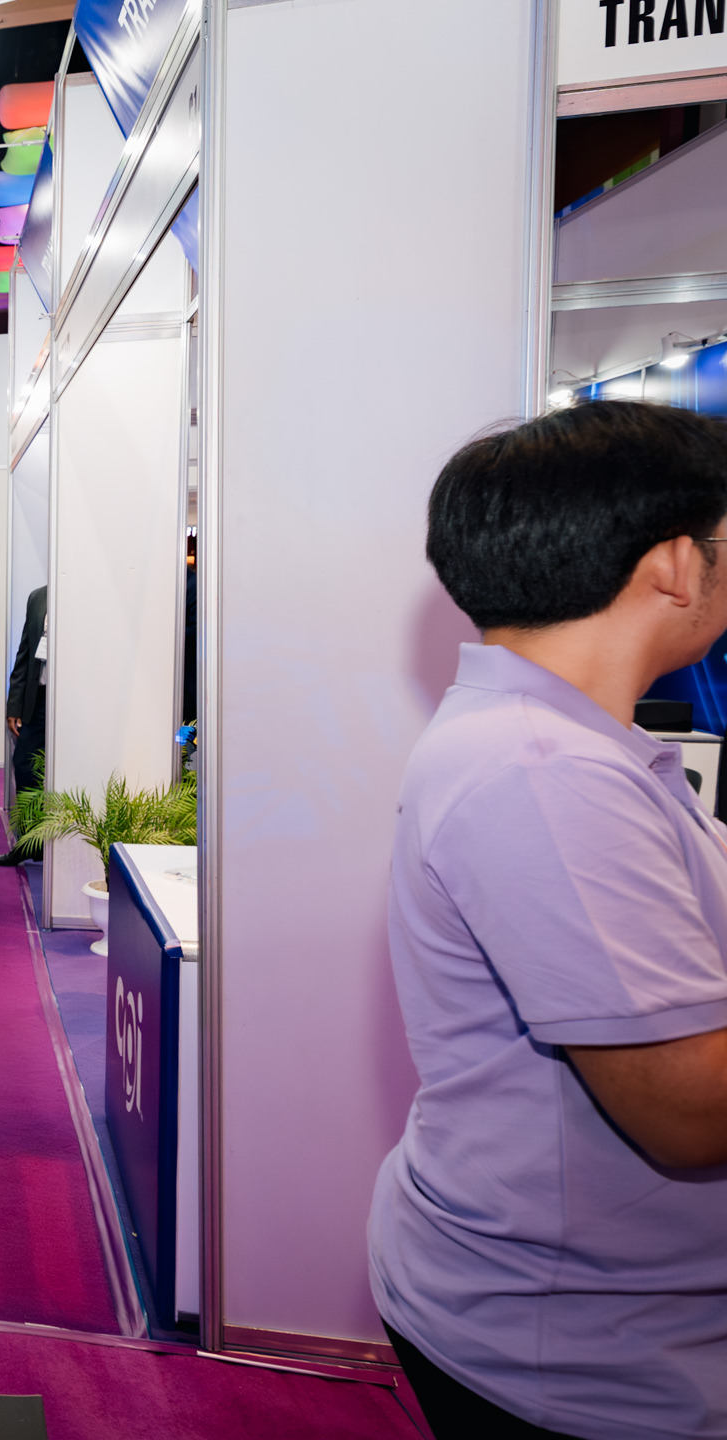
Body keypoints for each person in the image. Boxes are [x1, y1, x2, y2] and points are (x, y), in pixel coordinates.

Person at [372, 399, 727, 1440]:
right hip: (583, 1349)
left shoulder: (560, 747)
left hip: (604, 1317)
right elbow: (688, 1110)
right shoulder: (544, 772)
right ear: (676, 563)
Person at [0, 583, 48, 867]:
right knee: (24, 764)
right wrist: (14, 705)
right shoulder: (38, 597)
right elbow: (24, 654)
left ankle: (59, 845)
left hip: (76, 704)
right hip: (39, 700)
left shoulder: (89, 594)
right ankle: (29, 842)